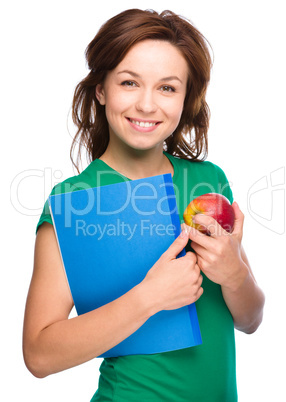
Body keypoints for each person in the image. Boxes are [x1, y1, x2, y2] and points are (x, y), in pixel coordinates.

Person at [22, 9, 265, 401]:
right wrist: (149, 297)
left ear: (186, 98)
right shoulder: (74, 202)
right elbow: (38, 354)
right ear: (101, 89)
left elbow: (250, 320)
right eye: (130, 82)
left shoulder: (209, 181)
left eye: (168, 88)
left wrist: (234, 274)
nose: (148, 105)